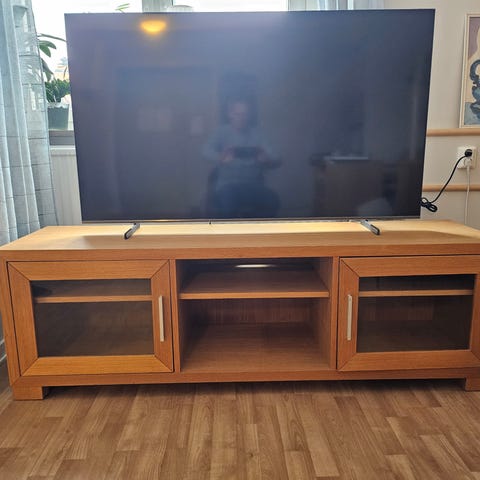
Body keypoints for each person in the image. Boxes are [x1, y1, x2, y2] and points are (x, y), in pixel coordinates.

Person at [202, 98, 280, 218]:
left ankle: (258, 230)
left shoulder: (258, 133)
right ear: (230, 114)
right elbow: (205, 151)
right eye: (237, 114)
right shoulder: (221, 132)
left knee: (273, 200)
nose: (241, 118)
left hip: (253, 185)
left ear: (249, 116)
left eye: (245, 114)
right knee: (229, 203)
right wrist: (220, 157)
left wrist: (267, 159)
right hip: (227, 185)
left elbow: (276, 156)